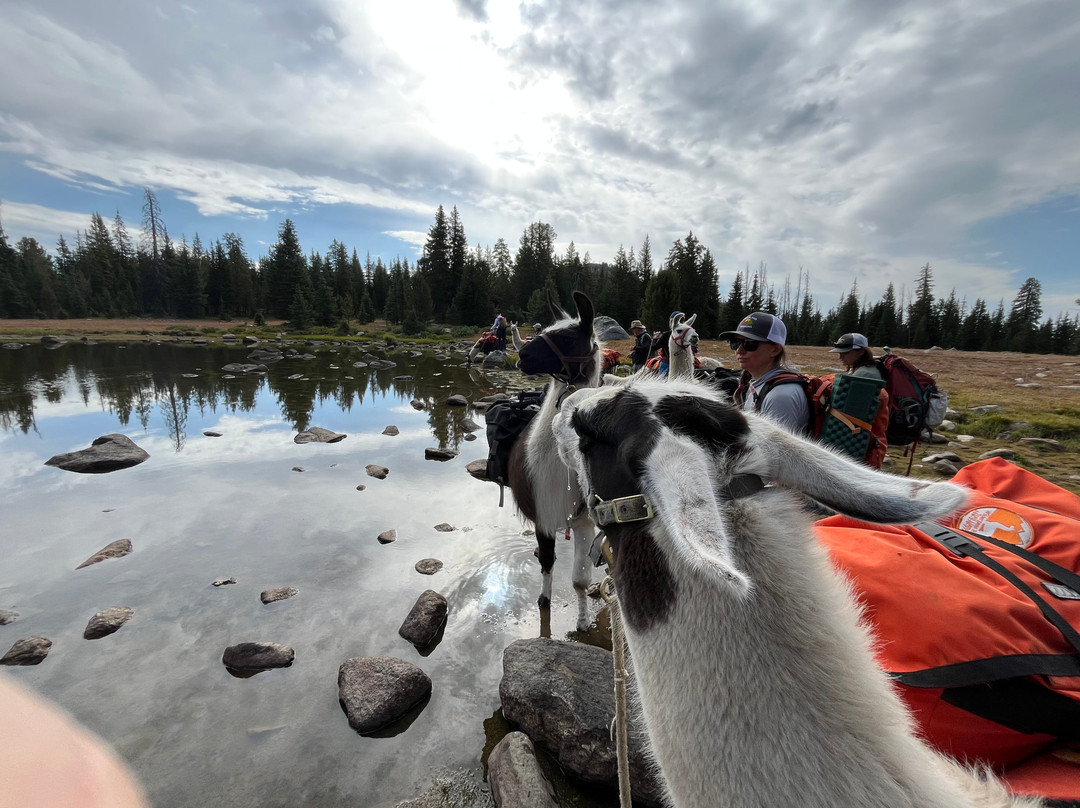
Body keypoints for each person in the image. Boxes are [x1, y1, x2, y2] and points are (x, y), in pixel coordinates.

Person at [720, 311, 810, 435]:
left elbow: (778, 452)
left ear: (775, 350)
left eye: (749, 344)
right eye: (735, 343)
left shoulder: (780, 396)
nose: (739, 350)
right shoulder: (759, 384)